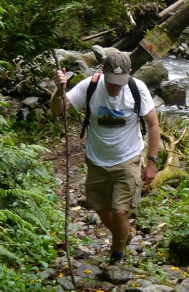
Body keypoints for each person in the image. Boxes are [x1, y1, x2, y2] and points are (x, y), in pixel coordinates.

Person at [51, 51, 160, 265]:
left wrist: (151, 163)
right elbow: (58, 109)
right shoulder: (90, 85)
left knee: (120, 211)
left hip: (128, 158)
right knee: (101, 207)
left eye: (120, 82)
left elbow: (153, 125)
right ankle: (124, 235)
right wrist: (58, 89)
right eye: (111, 81)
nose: (115, 87)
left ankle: (117, 256)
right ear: (102, 71)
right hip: (97, 159)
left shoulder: (137, 89)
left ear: (129, 73)